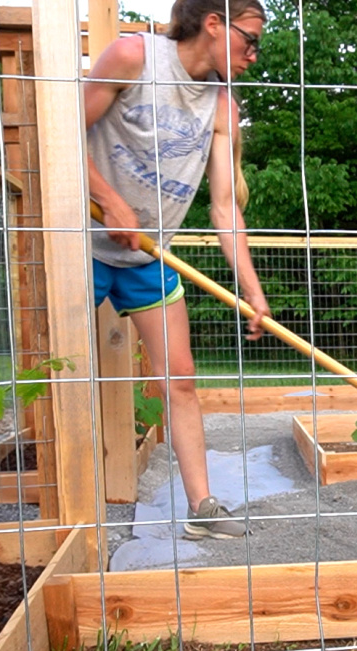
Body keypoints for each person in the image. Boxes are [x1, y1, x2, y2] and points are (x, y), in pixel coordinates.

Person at [85, 0, 271, 539]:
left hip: (148, 257)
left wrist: (253, 291)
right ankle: (68, 514)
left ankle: (203, 509)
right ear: (214, 23)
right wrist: (107, 199)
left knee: (181, 380)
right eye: (249, 39)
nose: (253, 55)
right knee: (67, 377)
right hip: (81, 246)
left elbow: (223, 209)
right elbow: (59, 137)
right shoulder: (131, 58)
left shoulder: (221, 106)